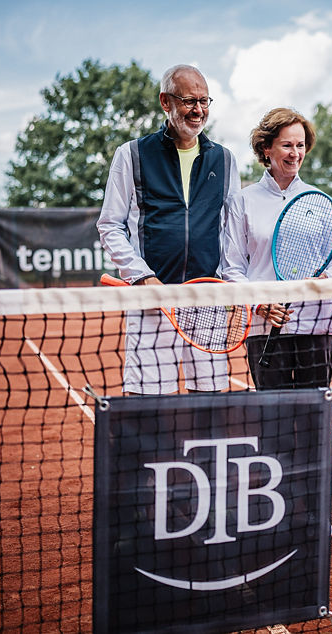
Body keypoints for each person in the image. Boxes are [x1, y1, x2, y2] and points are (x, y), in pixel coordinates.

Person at [97, 64, 240, 394]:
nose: (198, 110)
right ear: (165, 102)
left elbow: (232, 231)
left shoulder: (225, 159)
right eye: (189, 100)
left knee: (209, 401)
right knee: (146, 403)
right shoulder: (131, 154)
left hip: (207, 300)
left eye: (204, 101)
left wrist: (229, 283)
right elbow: (110, 225)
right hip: (152, 301)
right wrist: (142, 277)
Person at [222, 107, 332, 389]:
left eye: (300, 145)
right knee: (272, 413)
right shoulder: (242, 201)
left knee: (314, 412)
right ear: (266, 148)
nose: (295, 153)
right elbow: (231, 267)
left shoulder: (319, 200)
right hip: (263, 330)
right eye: (287, 145)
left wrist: (326, 280)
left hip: (316, 325)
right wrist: (259, 304)